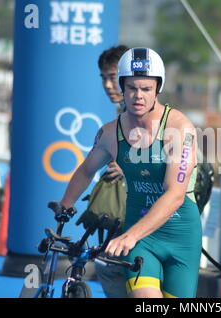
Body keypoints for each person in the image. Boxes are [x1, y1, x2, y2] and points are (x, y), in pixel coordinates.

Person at [60, 47, 202, 298]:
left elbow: (175, 195)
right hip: (140, 239)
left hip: (181, 237)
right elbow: (85, 171)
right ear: (122, 88)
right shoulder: (109, 133)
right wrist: (65, 205)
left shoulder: (180, 129)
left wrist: (128, 236)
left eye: (146, 89)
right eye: (131, 88)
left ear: (157, 89)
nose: (138, 96)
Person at [91, 45, 129, 298]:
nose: (107, 84)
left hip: (153, 215)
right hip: (128, 213)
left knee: (109, 266)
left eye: (112, 76)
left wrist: (127, 166)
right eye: (104, 77)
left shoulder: (155, 116)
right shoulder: (121, 115)